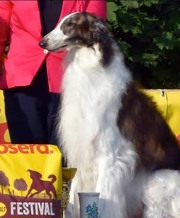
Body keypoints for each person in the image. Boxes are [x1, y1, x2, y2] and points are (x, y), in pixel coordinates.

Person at [0, 0, 106, 147]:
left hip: (72, 84)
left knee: (66, 156)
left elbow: (95, 36)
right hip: (21, 82)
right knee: (26, 157)